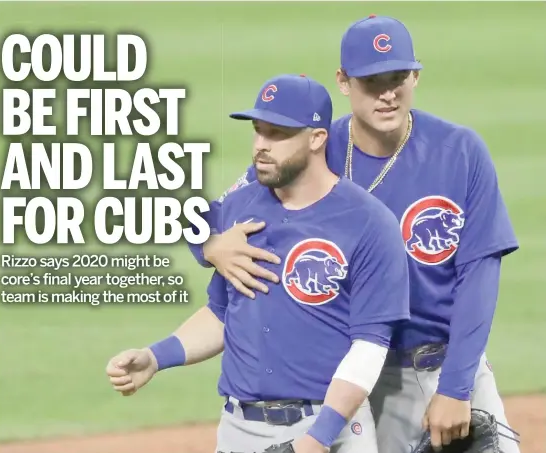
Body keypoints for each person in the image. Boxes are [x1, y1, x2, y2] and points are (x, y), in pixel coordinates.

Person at [187, 15, 521, 453]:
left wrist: (457, 388)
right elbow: (207, 214)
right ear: (344, 82)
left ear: (415, 75)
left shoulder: (460, 152)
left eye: (398, 77)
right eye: (372, 81)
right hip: (359, 382)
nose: (387, 93)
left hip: (446, 365)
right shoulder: (313, 148)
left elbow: (479, 275)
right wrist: (209, 244)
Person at [106, 74, 410, 453]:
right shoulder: (240, 208)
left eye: (278, 134)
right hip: (239, 430)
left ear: (317, 138)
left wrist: (318, 438)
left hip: (330, 429)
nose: (262, 146)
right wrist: (156, 357)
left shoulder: (368, 222)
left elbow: (369, 345)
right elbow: (222, 312)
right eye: (258, 131)